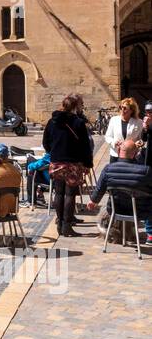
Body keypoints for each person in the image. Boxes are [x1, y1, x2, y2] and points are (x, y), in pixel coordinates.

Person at [42, 94, 94, 237]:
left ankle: (59, 222)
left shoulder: (52, 122)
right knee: (70, 194)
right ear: (74, 107)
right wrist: (87, 163)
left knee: (58, 193)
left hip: (57, 161)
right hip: (73, 163)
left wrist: (54, 152)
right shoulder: (78, 122)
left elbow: (45, 142)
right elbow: (85, 146)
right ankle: (66, 226)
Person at [88, 138, 152, 239]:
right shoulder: (145, 171)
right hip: (139, 211)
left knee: (105, 207)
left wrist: (93, 201)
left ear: (118, 151)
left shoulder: (108, 169)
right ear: (135, 154)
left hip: (115, 209)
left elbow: (100, 189)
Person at [104, 97, 143, 162]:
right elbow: (107, 136)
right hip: (116, 154)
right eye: (121, 107)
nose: (122, 110)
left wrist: (139, 143)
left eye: (125, 108)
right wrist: (114, 142)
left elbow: (141, 138)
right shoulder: (114, 120)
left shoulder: (138, 122)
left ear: (131, 110)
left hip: (131, 156)